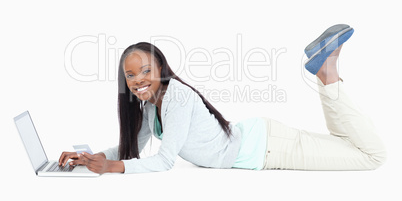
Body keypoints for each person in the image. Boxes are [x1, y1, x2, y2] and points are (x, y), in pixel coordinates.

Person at [59, 24, 387, 174]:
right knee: (346, 142)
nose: (138, 80)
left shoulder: (178, 98)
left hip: (270, 148)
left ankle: (327, 71)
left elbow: (164, 161)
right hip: (262, 139)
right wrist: (92, 157)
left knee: (371, 157)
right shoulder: (151, 106)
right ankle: (325, 69)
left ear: (161, 67)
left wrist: (111, 168)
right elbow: (135, 145)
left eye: (145, 70)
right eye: (130, 75)